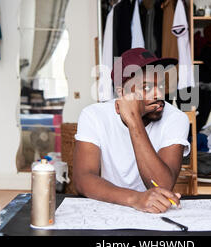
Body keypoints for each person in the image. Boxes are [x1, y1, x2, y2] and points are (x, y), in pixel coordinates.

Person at [73, 48, 190, 214]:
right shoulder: (93, 115)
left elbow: (162, 184)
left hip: (155, 213)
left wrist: (134, 121)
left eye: (161, 85)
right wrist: (135, 199)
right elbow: (82, 179)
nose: (158, 94)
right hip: (108, 208)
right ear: (122, 93)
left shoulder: (176, 119)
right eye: (147, 87)